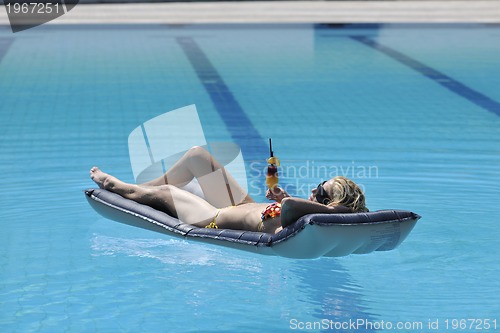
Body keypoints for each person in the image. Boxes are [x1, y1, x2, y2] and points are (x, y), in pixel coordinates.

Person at [90, 146, 368, 234]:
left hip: (214, 216)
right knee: (197, 156)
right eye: (318, 186)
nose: (313, 190)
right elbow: (289, 206)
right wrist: (283, 198)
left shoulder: (309, 220)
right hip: (243, 205)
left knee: (167, 194)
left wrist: (335, 209)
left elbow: (291, 208)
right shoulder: (309, 213)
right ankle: (139, 189)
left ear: (333, 205)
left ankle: (118, 186)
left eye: (321, 191)